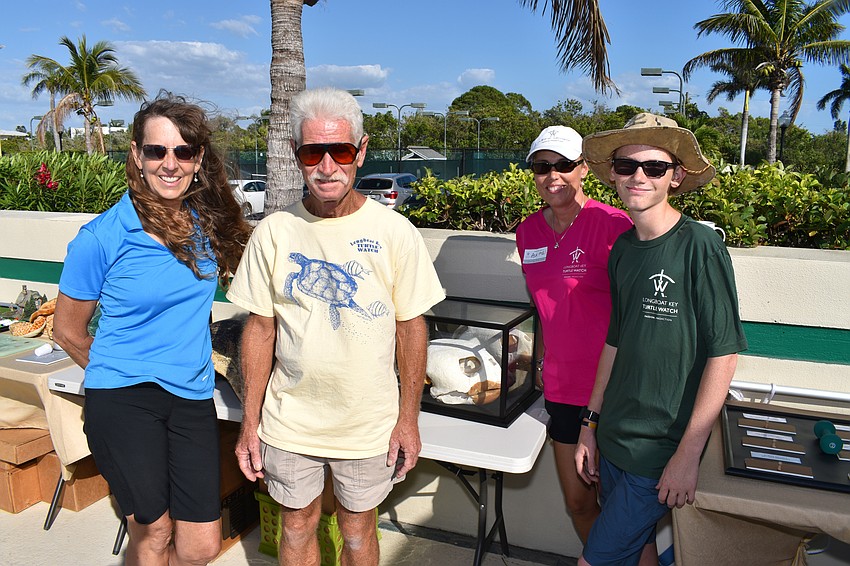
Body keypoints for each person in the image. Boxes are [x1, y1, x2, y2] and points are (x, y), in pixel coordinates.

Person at [226, 87, 445, 566]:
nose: (327, 166)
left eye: (341, 151)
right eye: (313, 152)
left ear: (361, 151)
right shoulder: (274, 231)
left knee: (358, 533)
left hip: (368, 423)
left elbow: (411, 329)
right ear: (295, 155)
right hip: (289, 421)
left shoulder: (395, 232)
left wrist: (408, 420)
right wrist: (250, 423)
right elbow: (259, 329)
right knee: (295, 526)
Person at [53, 92, 252, 565]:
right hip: (124, 399)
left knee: (201, 546)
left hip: (191, 397)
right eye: (157, 150)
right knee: (154, 531)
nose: (170, 163)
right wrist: (119, 372)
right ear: (137, 156)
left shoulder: (205, 225)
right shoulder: (102, 236)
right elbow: (68, 331)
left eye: (183, 151)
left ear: (198, 159)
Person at [574, 112, 748, 566]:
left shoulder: (700, 246)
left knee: (595, 559)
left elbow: (724, 354)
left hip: (659, 449)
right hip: (614, 438)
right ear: (613, 174)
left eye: (654, 167)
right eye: (627, 165)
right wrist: (590, 426)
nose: (639, 177)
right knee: (640, 548)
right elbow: (615, 342)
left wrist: (688, 454)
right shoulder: (623, 249)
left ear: (676, 176)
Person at [515, 126, 632, 543]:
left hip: (614, 387)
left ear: (584, 168)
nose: (553, 175)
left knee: (623, 506)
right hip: (562, 389)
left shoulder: (614, 225)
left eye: (564, 164)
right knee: (579, 502)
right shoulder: (527, 232)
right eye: (542, 166)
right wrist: (540, 359)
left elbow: (633, 311)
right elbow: (544, 306)